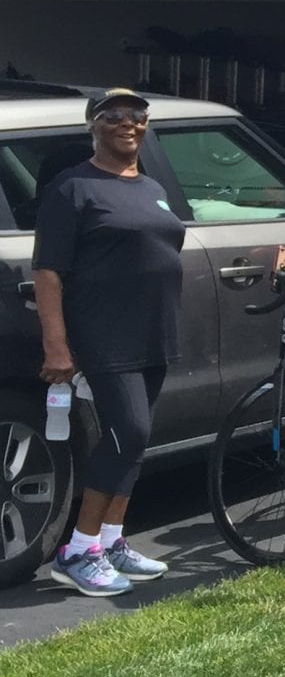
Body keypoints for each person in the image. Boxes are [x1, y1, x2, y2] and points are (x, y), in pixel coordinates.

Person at [34, 89, 185, 596]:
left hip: (153, 332)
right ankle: (78, 551)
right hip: (104, 333)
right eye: (113, 115)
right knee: (128, 431)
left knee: (136, 440)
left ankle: (111, 540)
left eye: (137, 115)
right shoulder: (72, 188)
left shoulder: (150, 186)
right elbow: (48, 272)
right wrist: (57, 346)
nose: (127, 123)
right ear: (92, 127)